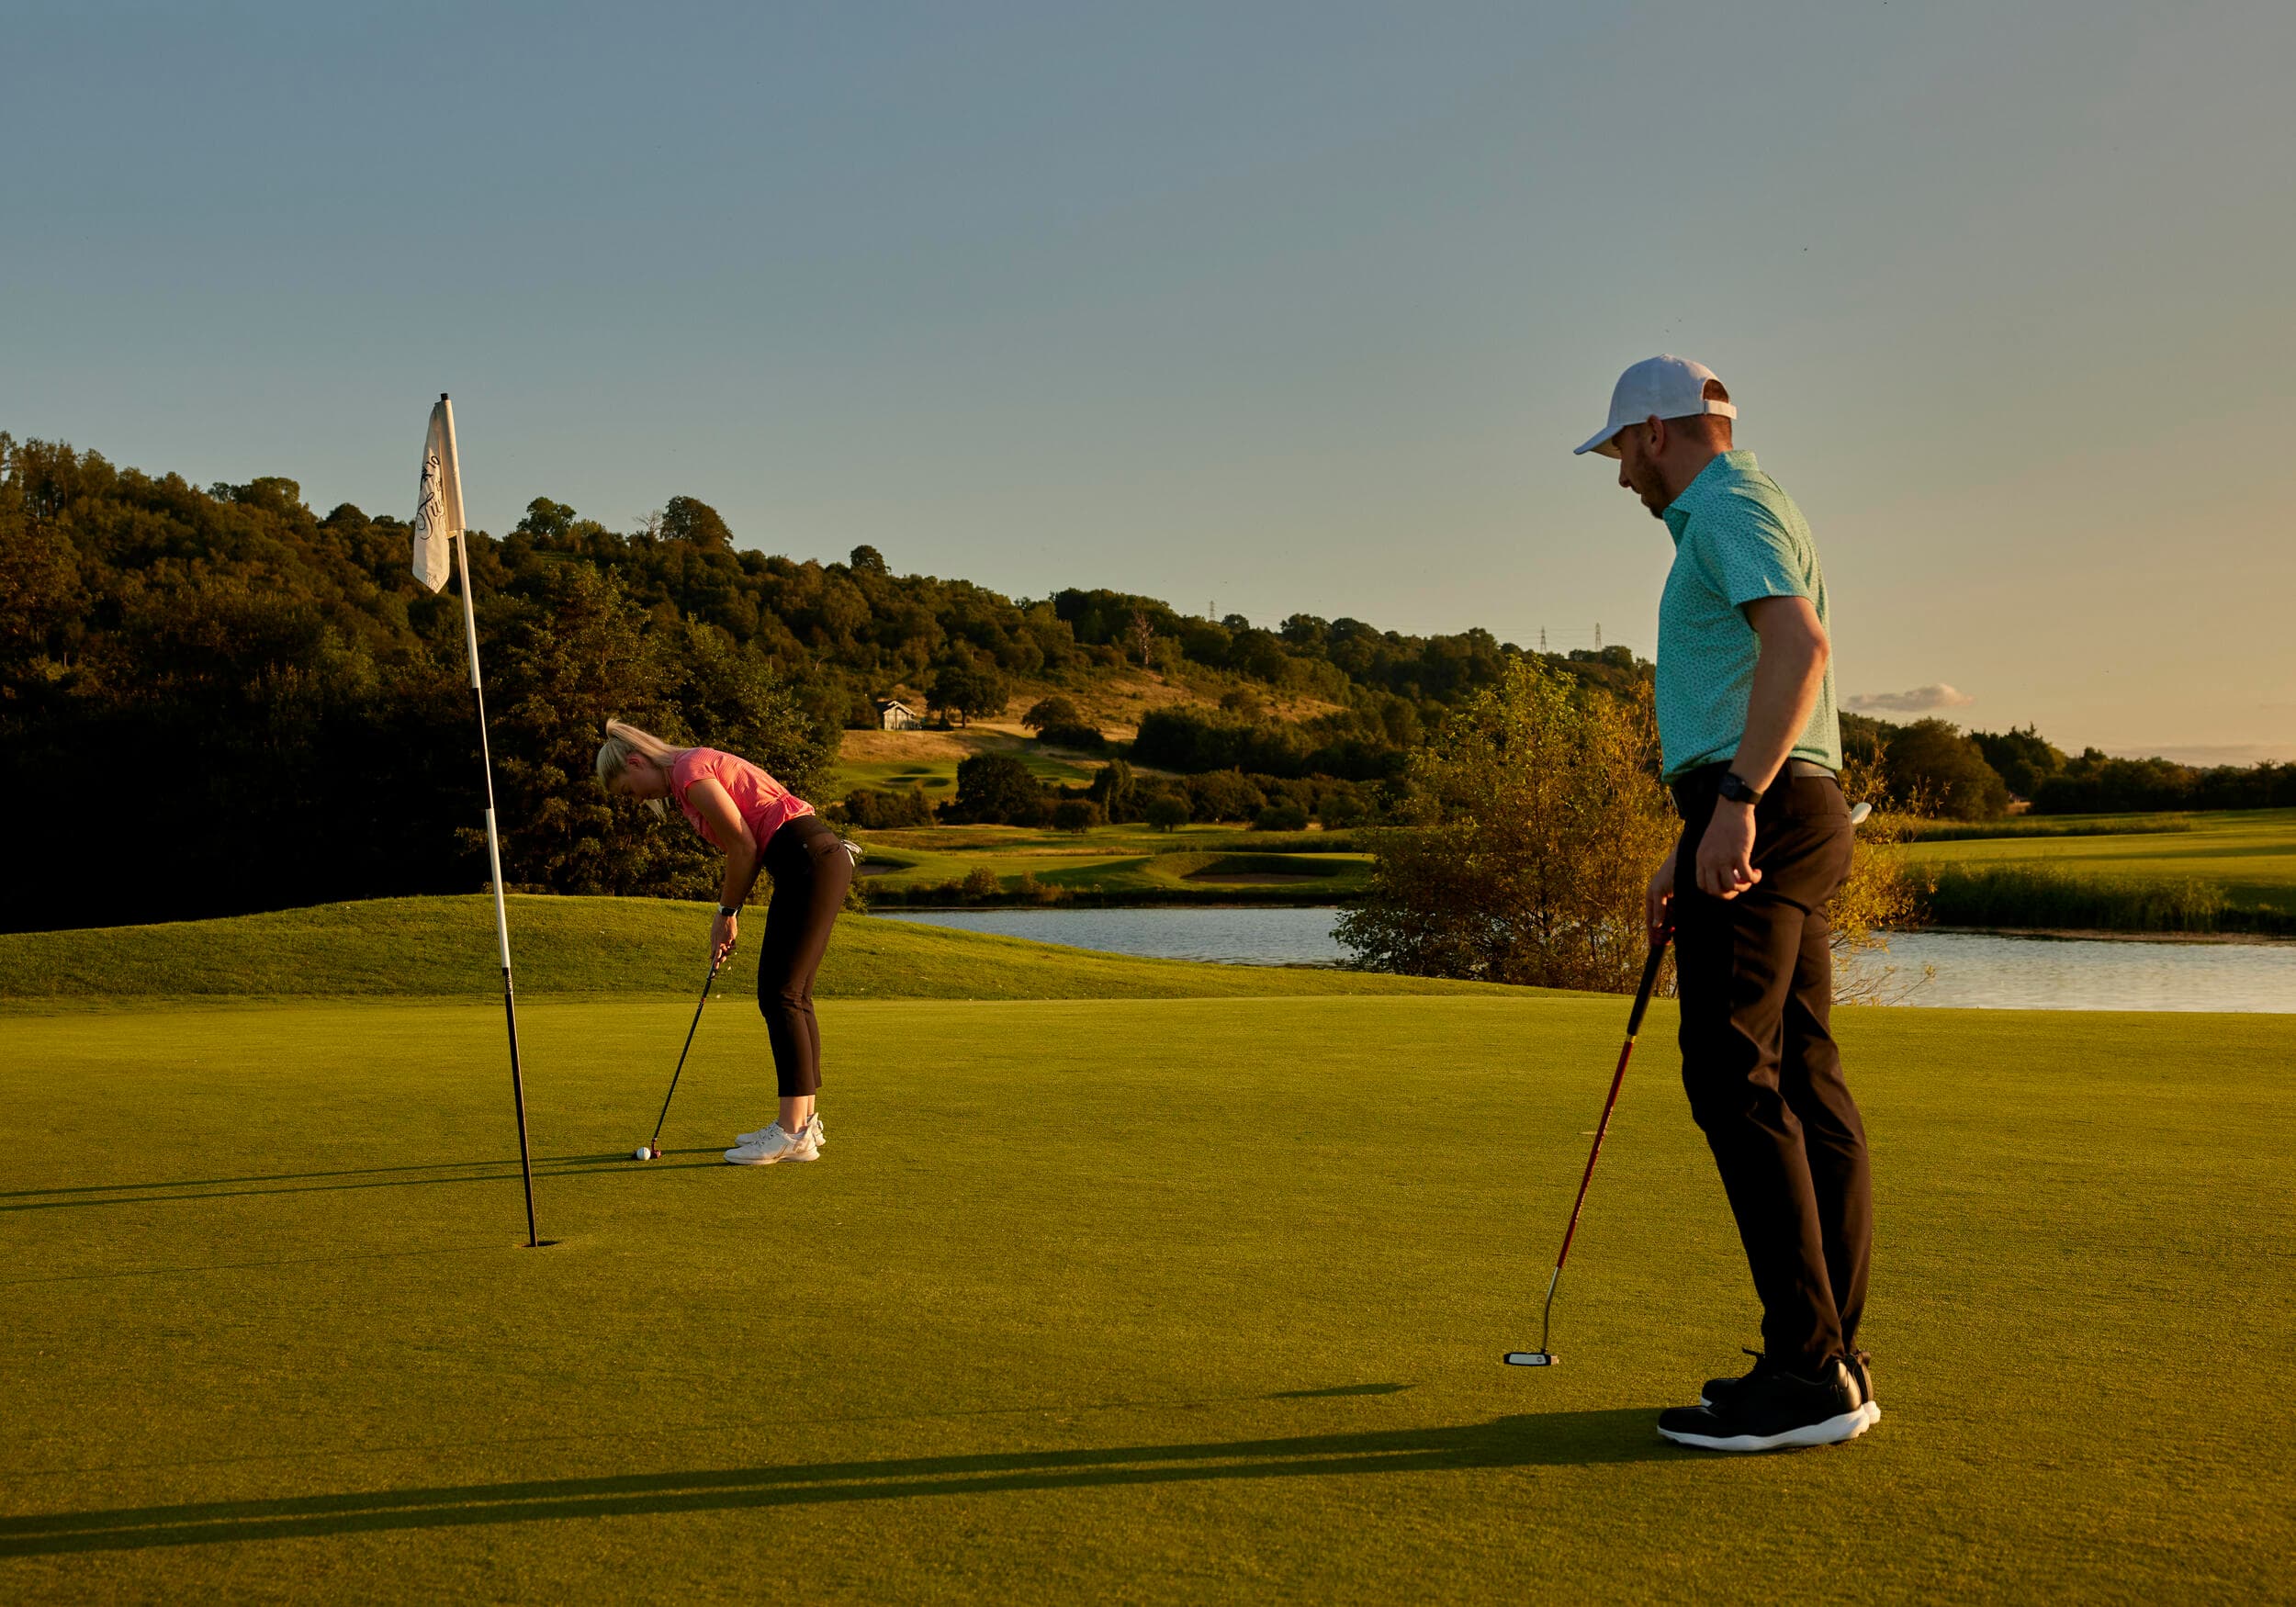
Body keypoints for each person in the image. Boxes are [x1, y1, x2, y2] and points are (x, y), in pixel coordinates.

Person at [1573, 355, 1877, 1452]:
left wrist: (1736, 800)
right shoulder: (1753, 503)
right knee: (1800, 1071)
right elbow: (1746, 682)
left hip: (1768, 800)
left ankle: (1807, 1369)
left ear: (1656, 431)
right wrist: (1694, 828)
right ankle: (1828, 1354)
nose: (1619, 480)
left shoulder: (1727, 503)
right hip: (1777, 802)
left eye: (1619, 452)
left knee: (1729, 1075)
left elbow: (1797, 647)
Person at [596, 720, 853, 1165]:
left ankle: (792, 1131)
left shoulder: (687, 771)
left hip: (808, 860)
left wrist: (726, 914)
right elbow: (748, 846)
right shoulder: (689, 773)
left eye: (626, 789)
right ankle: (804, 1126)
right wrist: (729, 913)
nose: (634, 800)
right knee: (795, 995)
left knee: (781, 996)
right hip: (814, 860)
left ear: (636, 762)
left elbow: (743, 846)